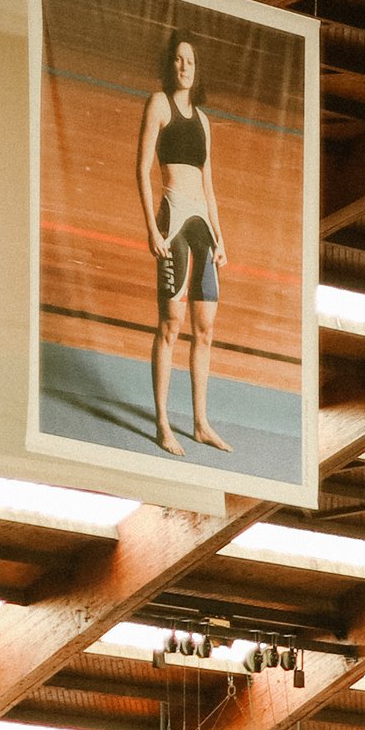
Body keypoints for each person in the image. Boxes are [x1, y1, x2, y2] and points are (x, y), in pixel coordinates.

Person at [137, 31, 229, 458]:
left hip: (201, 228)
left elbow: (209, 185)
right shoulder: (158, 104)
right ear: (169, 64)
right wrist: (152, 230)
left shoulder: (204, 121)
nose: (184, 66)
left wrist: (220, 237)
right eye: (177, 59)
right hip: (173, 223)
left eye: (190, 60)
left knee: (205, 329)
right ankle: (161, 422)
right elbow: (141, 170)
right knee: (171, 324)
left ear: (198, 68)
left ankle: (200, 423)